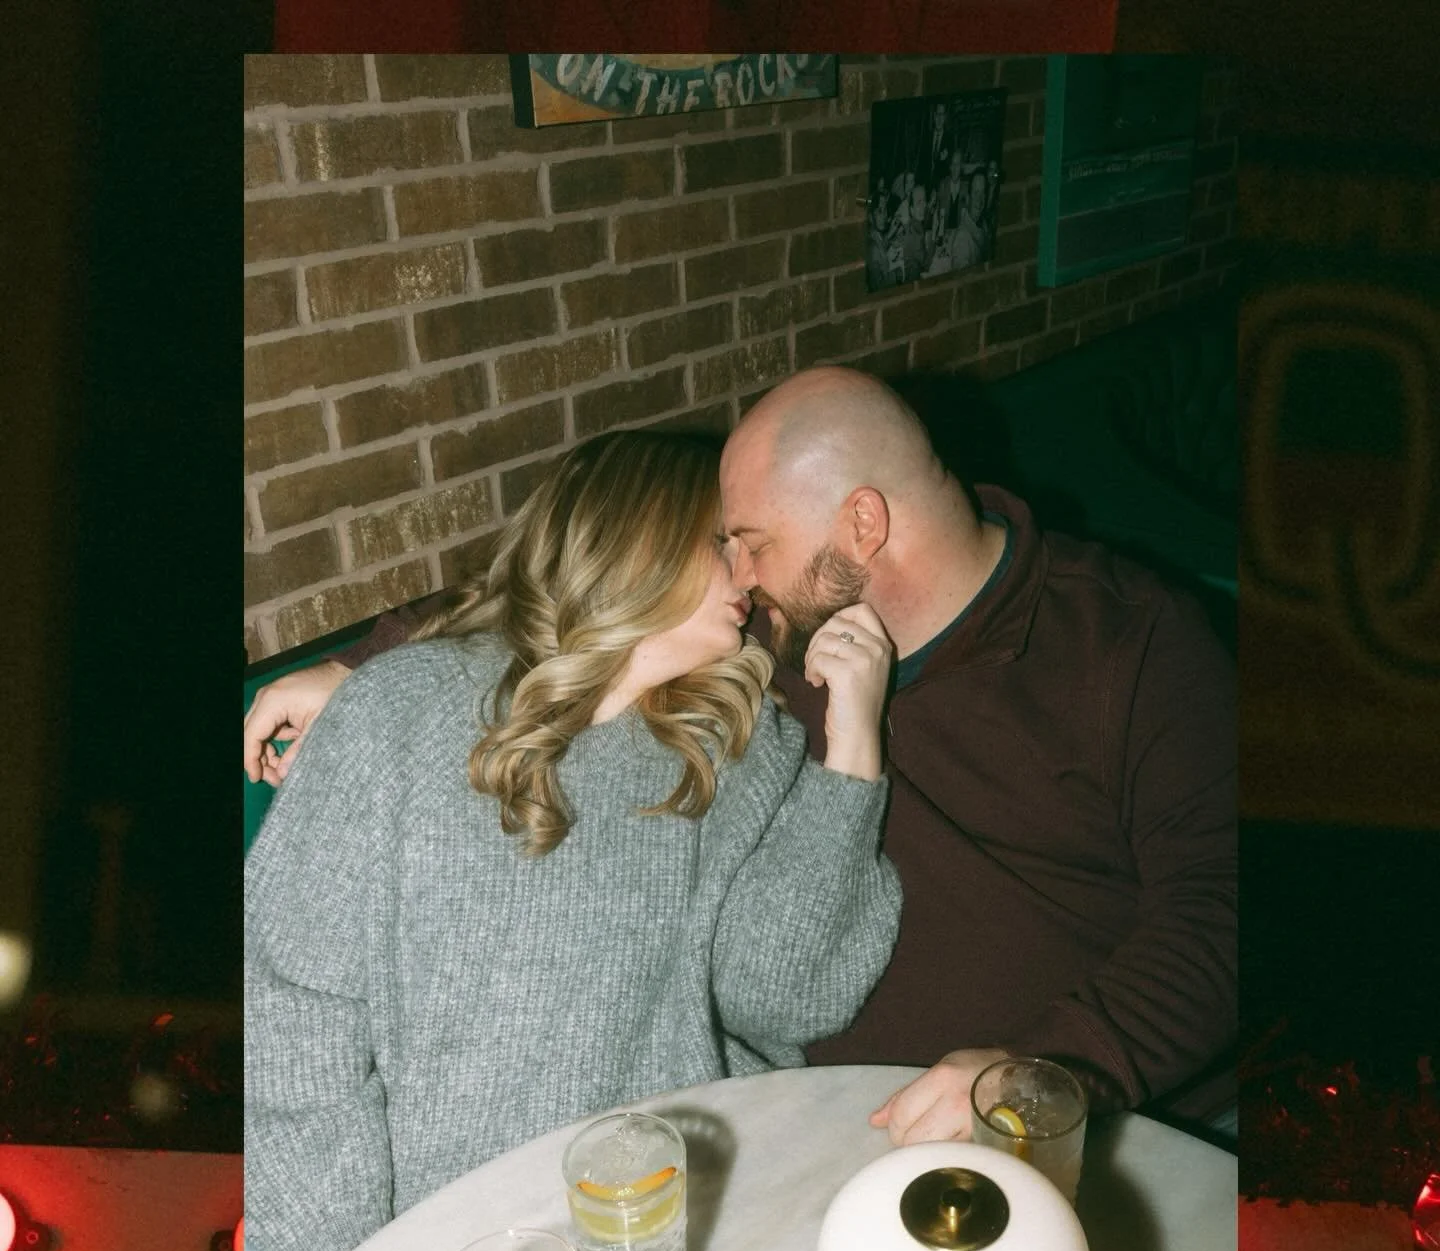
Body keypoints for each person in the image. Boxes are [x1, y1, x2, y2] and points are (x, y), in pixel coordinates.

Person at [246, 365, 1237, 1152]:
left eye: (750, 540)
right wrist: (364, 667)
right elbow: (596, 597)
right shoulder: (769, 632)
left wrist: (1042, 1070)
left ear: (861, 523)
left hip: (1083, 1127)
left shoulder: (1132, 642)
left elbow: (1219, 916)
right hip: (813, 1134)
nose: (738, 574)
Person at [244, 428, 901, 1251]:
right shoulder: (402, 714)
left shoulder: (739, 746)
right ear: (638, 541)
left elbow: (782, 997)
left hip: (652, 1233)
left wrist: (853, 745)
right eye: (722, 544)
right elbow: (291, 1027)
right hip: (412, 1249)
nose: (751, 575)